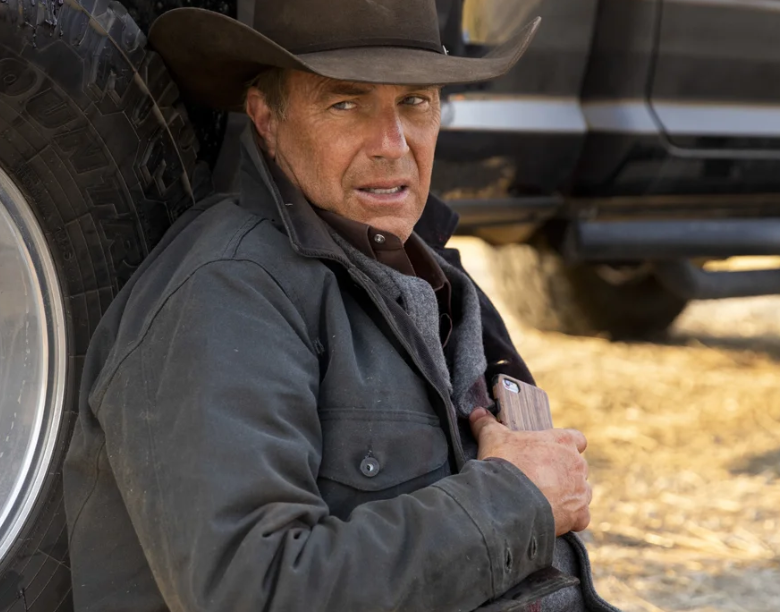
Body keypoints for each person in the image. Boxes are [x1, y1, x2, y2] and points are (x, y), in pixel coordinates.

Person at [62, 0, 620, 610]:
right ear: (266, 118)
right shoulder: (225, 298)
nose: (392, 144)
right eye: (346, 104)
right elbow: (256, 593)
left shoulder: (430, 272)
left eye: (415, 101)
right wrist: (515, 501)